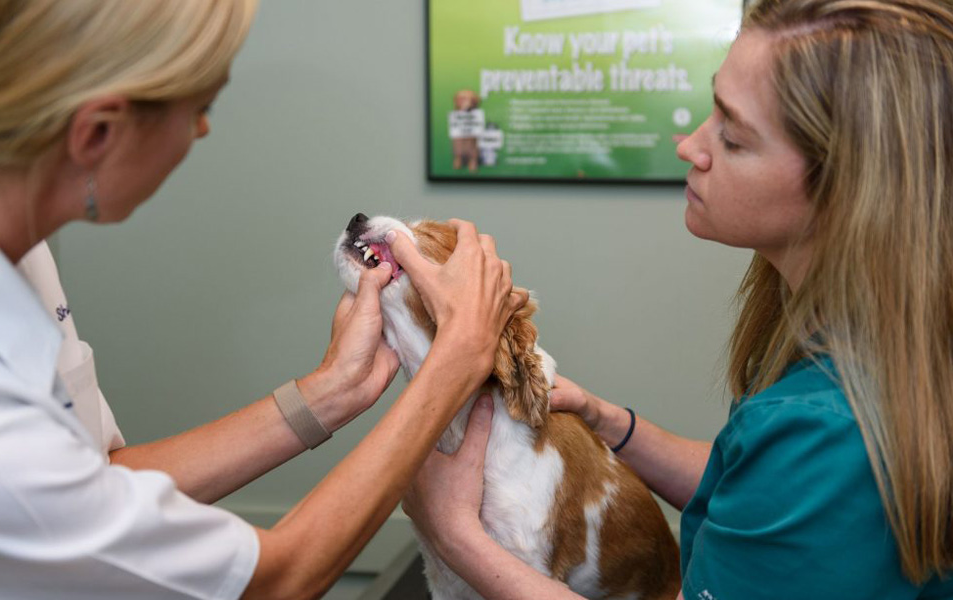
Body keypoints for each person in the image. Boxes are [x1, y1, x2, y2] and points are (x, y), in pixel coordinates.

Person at [0, 2, 527, 599]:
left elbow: (95, 482)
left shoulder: (15, 248)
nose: (203, 131)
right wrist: (454, 361)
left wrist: (333, 390)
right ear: (97, 132)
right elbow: (278, 580)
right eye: (200, 108)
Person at [403, 0, 953, 598]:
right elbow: (754, 487)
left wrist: (456, 534)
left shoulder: (823, 433)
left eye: (734, 137)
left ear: (850, 189)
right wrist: (609, 423)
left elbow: (794, 477)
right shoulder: (842, 354)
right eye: (710, 109)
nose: (690, 145)